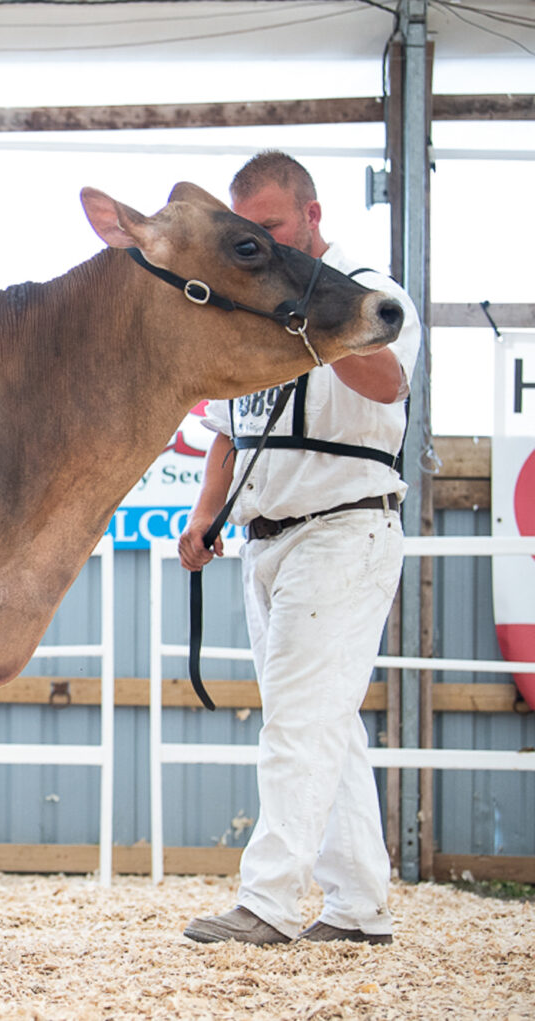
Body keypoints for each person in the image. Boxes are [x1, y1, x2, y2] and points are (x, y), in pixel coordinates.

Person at [178, 151, 421, 947]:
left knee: (297, 722)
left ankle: (269, 901)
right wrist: (205, 515)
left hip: (345, 528)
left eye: (273, 226)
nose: (263, 241)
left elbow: (389, 384)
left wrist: (325, 317)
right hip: (265, 539)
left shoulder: (371, 292)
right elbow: (226, 432)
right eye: (249, 231)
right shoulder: (254, 306)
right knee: (325, 724)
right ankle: (358, 908)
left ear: (311, 216)